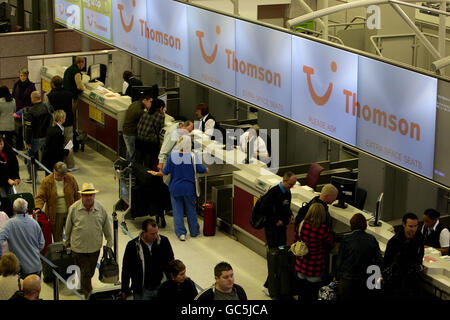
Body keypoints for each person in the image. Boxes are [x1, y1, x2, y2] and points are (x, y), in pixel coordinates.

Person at [149, 135, 208, 241]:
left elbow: (164, 172)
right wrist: (206, 169)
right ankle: (194, 231)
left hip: (175, 188)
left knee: (177, 212)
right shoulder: (193, 156)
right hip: (189, 189)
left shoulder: (173, 156)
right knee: (191, 210)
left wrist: (155, 173)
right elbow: (201, 169)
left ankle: (181, 234)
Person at [64, 182, 113, 298]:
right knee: (86, 272)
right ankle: (89, 295)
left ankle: (82, 285)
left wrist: (109, 241)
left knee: (90, 272)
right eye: (86, 195)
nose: (89, 197)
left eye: (91, 195)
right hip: (78, 247)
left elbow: (106, 225)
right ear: (81, 196)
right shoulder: (74, 209)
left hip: (94, 247)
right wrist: (67, 242)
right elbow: (68, 227)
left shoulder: (100, 208)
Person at [260, 171, 297, 295]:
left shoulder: (287, 192)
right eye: (290, 184)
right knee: (274, 257)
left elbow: (286, 207)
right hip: (272, 231)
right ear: (284, 181)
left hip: (281, 230)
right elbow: (264, 209)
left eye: (293, 185)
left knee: (281, 255)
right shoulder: (273, 192)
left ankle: (273, 283)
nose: (291, 187)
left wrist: (290, 215)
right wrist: (276, 221)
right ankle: (267, 285)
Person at [120, 218, 174, 300]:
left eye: (156, 233)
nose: (155, 236)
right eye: (152, 234)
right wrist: (124, 289)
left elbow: (171, 262)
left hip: (161, 287)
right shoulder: (133, 246)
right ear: (143, 232)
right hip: (142, 291)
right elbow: (126, 269)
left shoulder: (164, 241)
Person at [335, 213, 382, 300]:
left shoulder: (346, 239)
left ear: (351, 225)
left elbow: (340, 261)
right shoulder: (372, 239)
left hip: (348, 280)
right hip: (365, 280)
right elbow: (378, 261)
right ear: (365, 225)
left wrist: (337, 277)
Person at [295, 203, 334, 302]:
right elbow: (331, 242)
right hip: (315, 267)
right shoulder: (323, 229)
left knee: (302, 293)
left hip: (301, 265)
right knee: (312, 294)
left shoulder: (302, 224)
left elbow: (296, 239)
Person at [34, 162, 80, 243]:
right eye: (57, 175)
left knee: (73, 236)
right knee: (57, 238)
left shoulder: (71, 179)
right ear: (53, 171)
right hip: (55, 215)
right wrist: (38, 207)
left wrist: (80, 208)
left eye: (61, 176)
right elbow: (40, 197)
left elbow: (77, 194)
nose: (58, 177)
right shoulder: (47, 181)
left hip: (70, 213)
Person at [0, 198, 45, 279]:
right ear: (27, 209)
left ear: (14, 210)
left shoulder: (8, 224)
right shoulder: (34, 223)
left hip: (19, 270)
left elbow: (0, 239)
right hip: (35, 267)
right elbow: (41, 244)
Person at [383, 212, 424, 299]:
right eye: (410, 226)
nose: (413, 229)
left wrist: (419, 262)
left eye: (416, 226)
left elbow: (421, 252)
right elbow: (387, 261)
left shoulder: (419, 236)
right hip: (398, 279)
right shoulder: (394, 241)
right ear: (404, 224)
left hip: (413, 277)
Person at [46, 75, 76, 171]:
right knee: (69, 143)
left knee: (58, 145)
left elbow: (48, 109)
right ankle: (70, 164)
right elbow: (72, 107)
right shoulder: (69, 94)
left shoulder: (49, 96)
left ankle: (59, 165)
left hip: (56, 124)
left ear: (53, 84)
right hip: (68, 122)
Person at [23, 91, 53, 183]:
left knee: (31, 157)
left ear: (32, 99)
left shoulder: (31, 112)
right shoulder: (47, 107)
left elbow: (29, 128)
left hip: (35, 137)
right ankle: (49, 177)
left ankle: (32, 177)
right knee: (48, 158)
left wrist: (27, 141)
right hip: (46, 136)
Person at [63, 56, 86, 155]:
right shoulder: (77, 72)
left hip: (67, 97)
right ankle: (73, 145)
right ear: (80, 63)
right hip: (73, 97)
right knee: (72, 120)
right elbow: (79, 86)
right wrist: (84, 88)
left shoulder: (68, 69)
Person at [136, 98, 165, 170]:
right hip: (150, 144)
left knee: (138, 163)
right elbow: (160, 130)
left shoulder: (145, 113)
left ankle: (137, 179)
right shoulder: (160, 116)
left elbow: (138, 126)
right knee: (148, 165)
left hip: (139, 141)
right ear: (161, 108)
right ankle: (146, 179)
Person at [41, 110, 72, 175]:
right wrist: (67, 151)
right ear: (61, 119)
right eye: (64, 117)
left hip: (48, 158)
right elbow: (56, 149)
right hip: (53, 160)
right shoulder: (58, 132)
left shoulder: (52, 127)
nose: (65, 119)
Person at [12, 68, 36, 150]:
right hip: (18, 110)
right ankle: (19, 147)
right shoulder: (16, 85)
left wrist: (30, 108)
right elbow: (13, 96)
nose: (22, 77)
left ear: (27, 76)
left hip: (28, 110)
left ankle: (27, 145)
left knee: (27, 129)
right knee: (19, 129)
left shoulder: (31, 86)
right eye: (21, 75)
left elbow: (34, 98)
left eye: (24, 76)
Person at [122, 93, 148, 163]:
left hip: (126, 132)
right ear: (145, 100)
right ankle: (131, 170)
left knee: (129, 152)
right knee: (132, 155)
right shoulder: (139, 110)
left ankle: (127, 167)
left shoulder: (135, 103)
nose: (151, 104)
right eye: (150, 102)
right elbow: (147, 117)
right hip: (130, 134)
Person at [0, 136, 20, 214]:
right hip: (2, 179)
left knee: (10, 198)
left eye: (1, 144)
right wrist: (7, 179)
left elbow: (14, 163)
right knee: (4, 198)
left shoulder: (8, 149)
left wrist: (16, 177)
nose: (0, 146)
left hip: (9, 179)